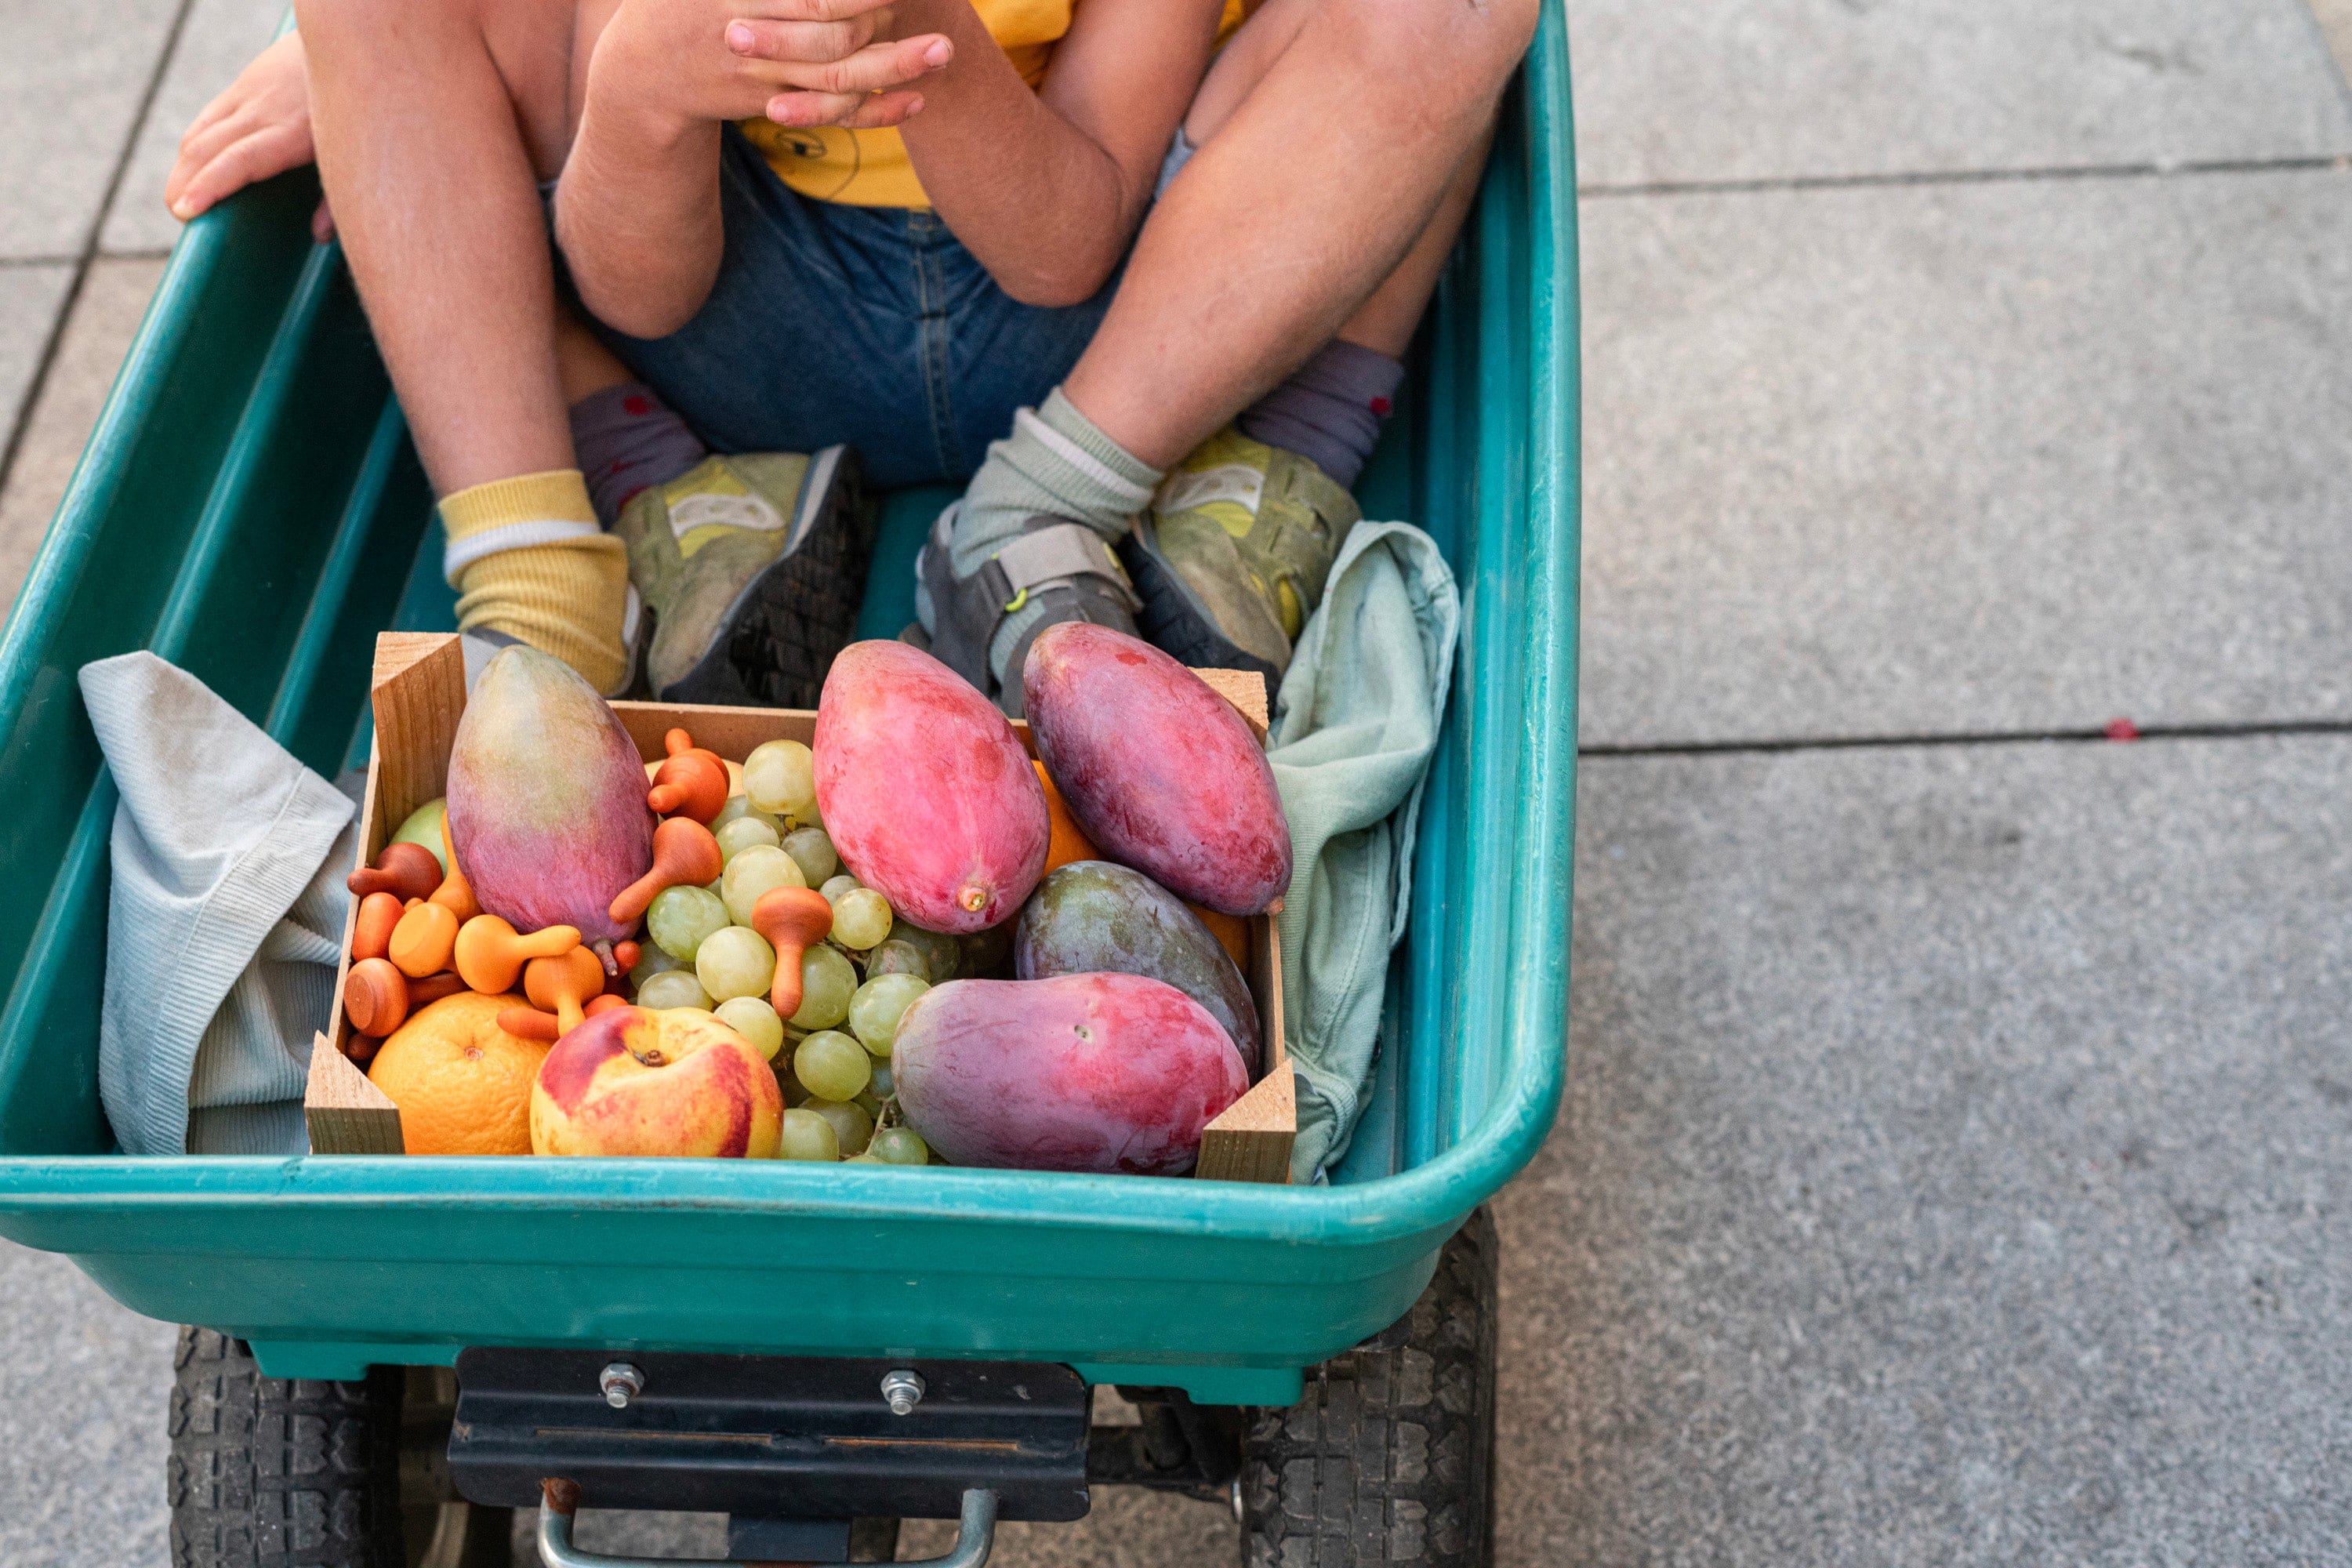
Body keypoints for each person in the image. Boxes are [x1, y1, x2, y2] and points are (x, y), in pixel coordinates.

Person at [169, 0, 1535, 711]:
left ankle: (1068, 505)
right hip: (741, 329)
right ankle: (547, 591)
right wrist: (642, 89)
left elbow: (1065, 243)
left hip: (1130, 331)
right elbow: (638, 285)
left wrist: (916, 47)